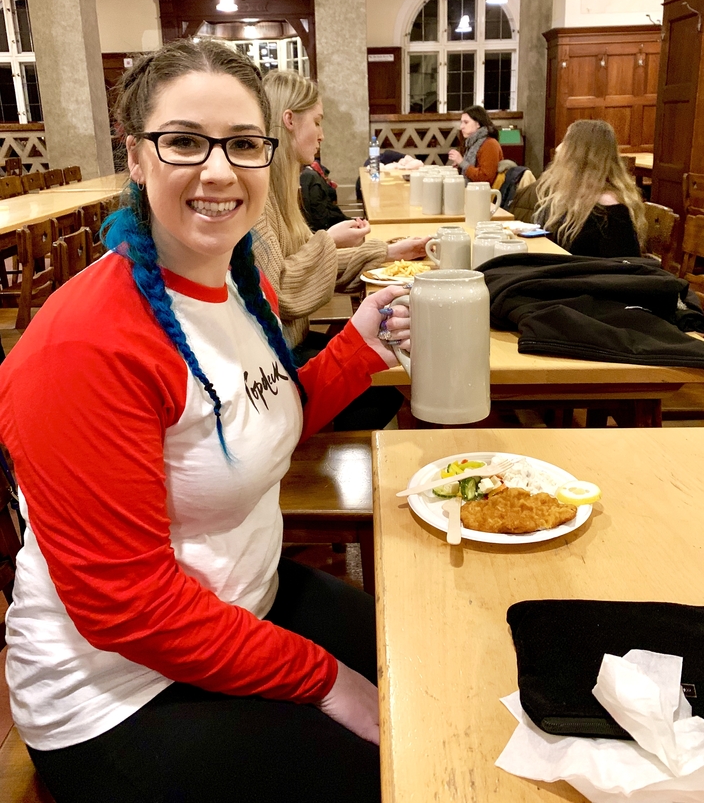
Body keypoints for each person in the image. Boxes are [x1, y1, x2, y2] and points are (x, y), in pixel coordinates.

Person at [0, 40, 413, 803]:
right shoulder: (84, 345)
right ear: (136, 155)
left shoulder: (238, 277)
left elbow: (254, 422)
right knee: (403, 776)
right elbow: (130, 610)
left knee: (432, 661)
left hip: (240, 602)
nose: (219, 171)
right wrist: (329, 683)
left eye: (243, 145)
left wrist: (359, 347)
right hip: (116, 697)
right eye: (185, 141)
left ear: (269, 155)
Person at [251, 69, 430, 355]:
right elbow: (282, 291)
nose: (322, 135)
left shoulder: (284, 188)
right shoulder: (257, 198)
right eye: (317, 122)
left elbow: (313, 271)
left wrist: (391, 253)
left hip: (291, 347)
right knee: (399, 362)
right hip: (279, 363)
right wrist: (328, 240)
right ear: (289, 120)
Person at [533, 119, 646, 258]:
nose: (558, 148)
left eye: (567, 142)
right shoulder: (574, 197)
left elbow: (621, 269)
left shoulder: (612, 209)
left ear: (581, 155)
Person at [448, 104, 503, 184]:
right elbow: (471, 170)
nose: (461, 127)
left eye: (466, 122)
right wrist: (460, 166)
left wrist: (462, 162)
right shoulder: (472, 143)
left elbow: (485, 178)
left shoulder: (490, 144)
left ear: (478, 124)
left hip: (482, 193)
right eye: (461, 122)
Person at [300, 158, 348, 231]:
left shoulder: (309, 174)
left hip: (319, 224)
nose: (317, 146)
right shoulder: (309, 176)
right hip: (321, 228)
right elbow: (318, 215)